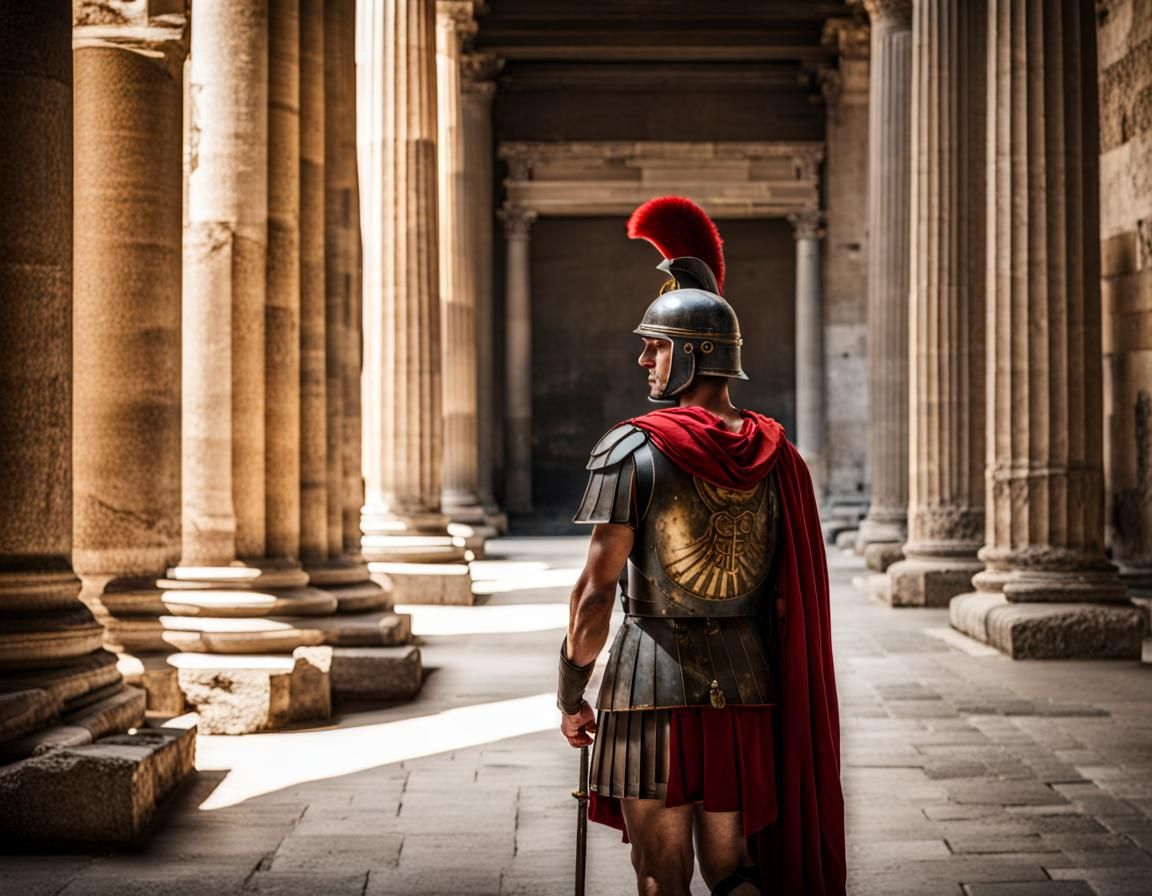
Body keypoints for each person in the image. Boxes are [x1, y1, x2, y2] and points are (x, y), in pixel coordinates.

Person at [557, 197, 845, 896]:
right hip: (746, 690)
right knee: (735, 873)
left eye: (654, 346)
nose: (643, 358)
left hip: (645, 687)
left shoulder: (631, 449)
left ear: (690, 354)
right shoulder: (779, 458)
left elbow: (597, 597)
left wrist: (570, 688)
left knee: (660, 879)